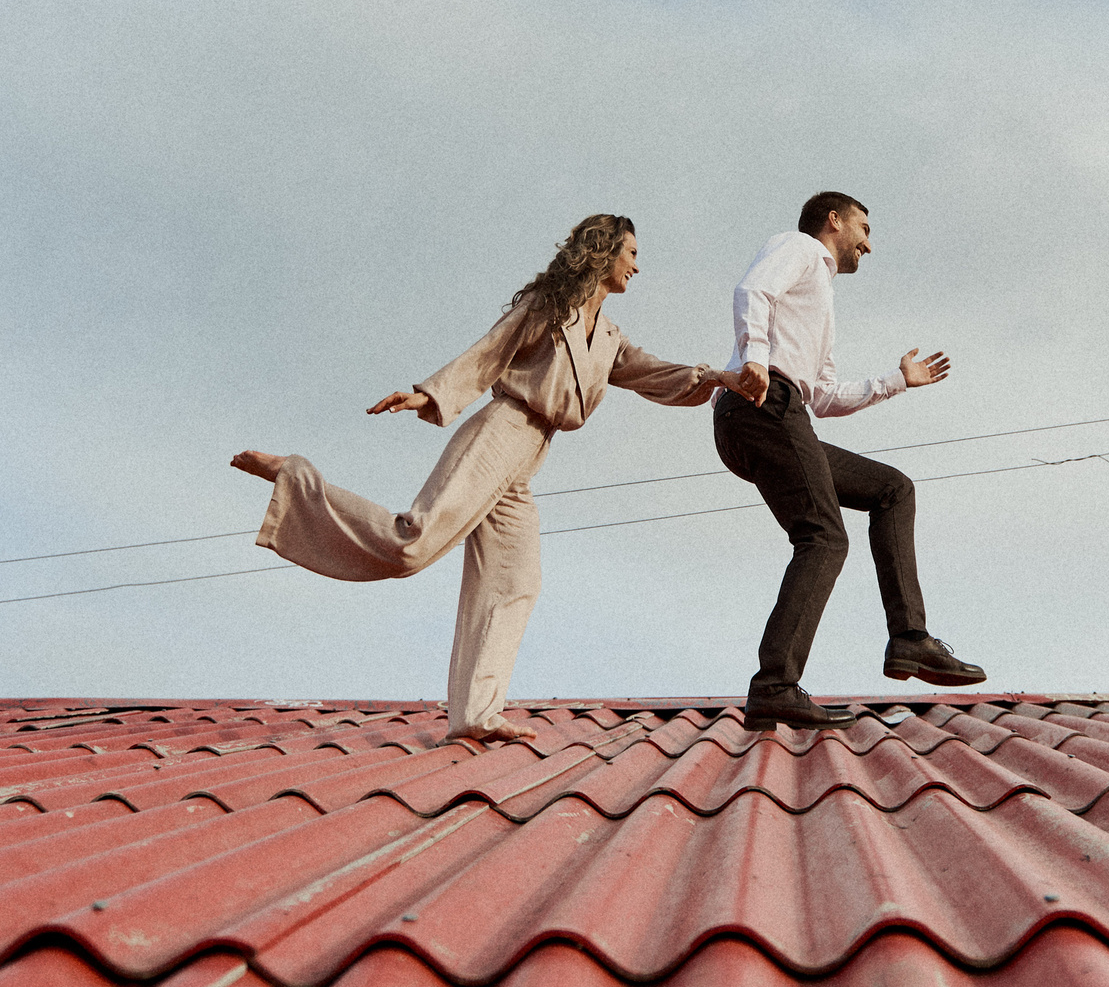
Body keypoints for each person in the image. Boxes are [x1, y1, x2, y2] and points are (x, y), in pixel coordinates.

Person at [231, 214, 758, 745]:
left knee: (516, 579)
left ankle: (475, 715)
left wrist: (719, 378)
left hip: (528, 459)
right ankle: (293, 478)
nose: (638, 266)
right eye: (633, 253)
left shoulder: (611, 340)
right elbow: (490, 351)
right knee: (410, 544)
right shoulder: (549, 307)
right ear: (604, 253)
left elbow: (657, 374)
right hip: (499, 433)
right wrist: (430, 394)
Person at [714, 191, 985, 730]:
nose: (869, 243)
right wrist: (756, 361)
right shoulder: (798, 248)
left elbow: (824, 397)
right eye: (864, 227)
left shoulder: (821, 305)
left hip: (780, 413)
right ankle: (774, 685)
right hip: (761, 405)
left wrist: (896, 382)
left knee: (892, 489)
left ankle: (910, 640)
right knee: (824, 536)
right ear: (833, 221)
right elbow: (752, 291)